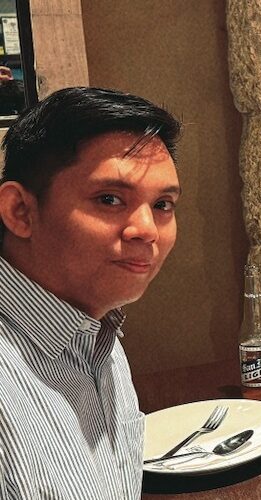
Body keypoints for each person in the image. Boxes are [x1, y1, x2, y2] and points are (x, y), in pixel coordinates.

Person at [0, 87, 181, 498]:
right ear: (20, 211)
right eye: (110, 199)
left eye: (162, 205)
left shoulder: (98, 334)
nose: (147, 230)